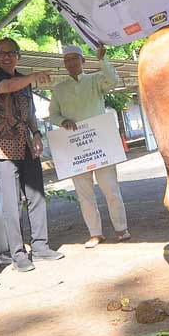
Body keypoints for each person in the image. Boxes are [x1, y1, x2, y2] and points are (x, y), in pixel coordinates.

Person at [0, 38, 64, 271]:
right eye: (1, 53)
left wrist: (37, 133)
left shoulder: (24, 81)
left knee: (36, 195)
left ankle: (40, 247)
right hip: (3, 148)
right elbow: (7, 88)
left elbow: (29, 112)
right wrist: (33, 76)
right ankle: (17, 253)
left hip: (27, 145)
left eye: (10, 53)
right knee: (11, 203)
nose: (6, 57)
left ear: (18, 56)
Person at [48, 44, 131, 248]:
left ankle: (121, 228)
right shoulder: (59, 89)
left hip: (100, 144)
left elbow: (113, 80)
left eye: (75, 58)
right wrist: (63, 122)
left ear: (83, 61)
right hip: (75, 148)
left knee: (111, 189)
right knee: (85, 195)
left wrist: (103, 60)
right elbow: (53, 115)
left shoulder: (95, 80)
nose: (71, 63)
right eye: (67, 60)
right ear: (64, 64)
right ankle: (95, 234)